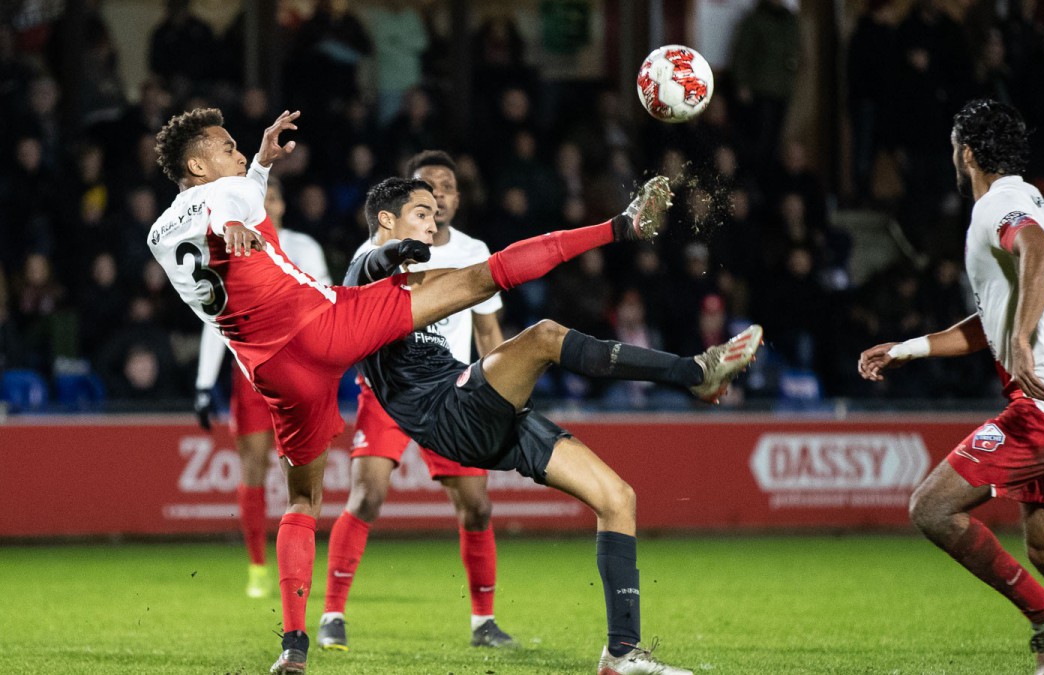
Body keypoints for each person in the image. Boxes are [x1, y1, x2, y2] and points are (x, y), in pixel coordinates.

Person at [148, 106, 679, 674]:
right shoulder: (222, 203)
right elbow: (226, 210)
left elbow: (232, 203)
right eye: (227, 148)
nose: (236, 154)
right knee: (481, 276)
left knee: (303, 502)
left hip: (274, 375)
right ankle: (617, 227)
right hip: (323, 327)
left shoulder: (159, 233)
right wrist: (234, 212)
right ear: (198, 164)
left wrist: (258, 164)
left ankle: (295, 646)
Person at [344, 175, 762, 675]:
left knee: (618, 498)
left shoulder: (423, 279)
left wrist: (620, 227)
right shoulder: (364, 279)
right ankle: (694, 373)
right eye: (422, 213)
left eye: (436, 214)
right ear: (387, 220)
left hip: (480, 413)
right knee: (543, 335)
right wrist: (391, 254)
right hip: (446, 413)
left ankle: (621, 654)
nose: (435, 223)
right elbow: (367, 264)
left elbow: (518, 263)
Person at [858, 99, 1044, 675]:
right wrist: (909, 349)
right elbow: (991, 318)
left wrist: (1020, 340)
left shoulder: (1000, 205)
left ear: (965, 153)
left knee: (932, 508)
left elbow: (1037, 254)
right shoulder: (1025, 196)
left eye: (953, 146)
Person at [318, 150, 515, 650]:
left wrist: (499, 397)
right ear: (410, 201)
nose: (440, 194)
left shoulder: (474, 250)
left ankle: (483, 623)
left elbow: (488, 331)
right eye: (428, 188)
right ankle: (332, 616)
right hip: (387, 389)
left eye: (448, 186)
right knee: (368, 495)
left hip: (450, 392)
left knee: (476, 507)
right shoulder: (379, 249)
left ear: (456, 197)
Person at [193, 177, 331, 599]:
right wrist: (203, 383)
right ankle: (257, 565)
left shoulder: (304, 247)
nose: (265, 205)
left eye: (270, 198)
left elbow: (325, 300)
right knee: (253, 466)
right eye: (259, 199)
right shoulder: (230, 246)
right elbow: (218, 322)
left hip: (300, 368)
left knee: (304, 474)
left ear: (282, 205)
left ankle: (298, 562)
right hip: (252, 370)